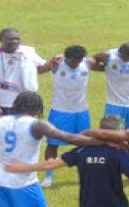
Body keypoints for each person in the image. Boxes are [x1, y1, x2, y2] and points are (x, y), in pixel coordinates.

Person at [41, 45, 94, 187]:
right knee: (52, 144)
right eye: (73, 61)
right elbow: (42, 68)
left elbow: (101, 59)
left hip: (81, 111)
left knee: (84, 144)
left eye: (78, 60)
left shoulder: (87, 63)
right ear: (66, 58)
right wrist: (53, 59)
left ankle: (85, 174)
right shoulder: (57, 64)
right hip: (60, 111)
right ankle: (48, 176)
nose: (76, 63)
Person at [0, 28, 60, 114]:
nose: (14, 41)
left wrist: (53, 63)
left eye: (17, 39)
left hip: (20, 103)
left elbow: (39, 69)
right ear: (1, 40)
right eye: (10, 39)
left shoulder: (27, 53)